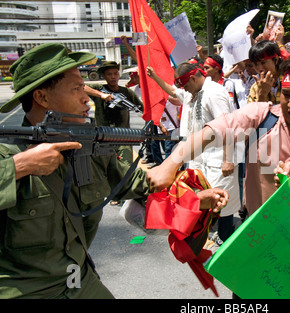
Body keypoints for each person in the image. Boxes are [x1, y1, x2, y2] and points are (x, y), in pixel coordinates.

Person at [0, 43, 228, 299]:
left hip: (77, 280)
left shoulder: (88, 149)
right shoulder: (7, 154)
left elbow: (149, 182)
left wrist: (196, 199)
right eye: (77, 89)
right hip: (24, 291)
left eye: (84, 88)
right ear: (42, 98)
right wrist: (19, 167)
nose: (86, 98)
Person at [146, 50, 290, 219]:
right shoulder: (262, 116)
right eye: (286, 95)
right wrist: (170, 164)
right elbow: (213, 131)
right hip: (254, 235)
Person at [147, 62, 240, 243]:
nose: (185, 91)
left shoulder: (214, 93)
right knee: (207, 199)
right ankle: (216, 235)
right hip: (200, 159)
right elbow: (174, 92)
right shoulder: (193, 92)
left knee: (223, 203)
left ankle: (230, 243)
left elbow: (228, 126)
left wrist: (228, 159)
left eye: (186, 86)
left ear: (193, 78)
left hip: (218, 158)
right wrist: (155, 77)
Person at [84, 61, 143, 166]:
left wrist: (160, 125)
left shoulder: (127, 92)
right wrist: (101, 95)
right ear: (104, 76)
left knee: (126, 168)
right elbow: (81, 86)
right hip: (104, 139)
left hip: (123, 138)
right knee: (105, 170)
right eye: (109, 74)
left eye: (115, 73)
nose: (113, 77)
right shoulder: (99, 89)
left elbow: (143, 110)